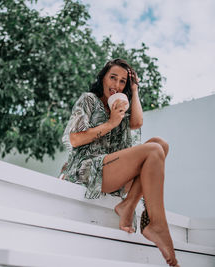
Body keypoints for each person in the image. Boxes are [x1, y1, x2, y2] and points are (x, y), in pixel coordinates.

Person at [60, 58, 179, 266]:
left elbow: (137, 122)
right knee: (153, 149)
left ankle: (128, 205)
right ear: (103, 78)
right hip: (87, 168)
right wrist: (111, 123)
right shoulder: (89, 99)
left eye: (122, 81)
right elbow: (75, 139)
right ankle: (157, 224)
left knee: (161, 144)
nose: (116, 85)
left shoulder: (121, 108)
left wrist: (135, 90)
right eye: (112, 78)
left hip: (112, 170)